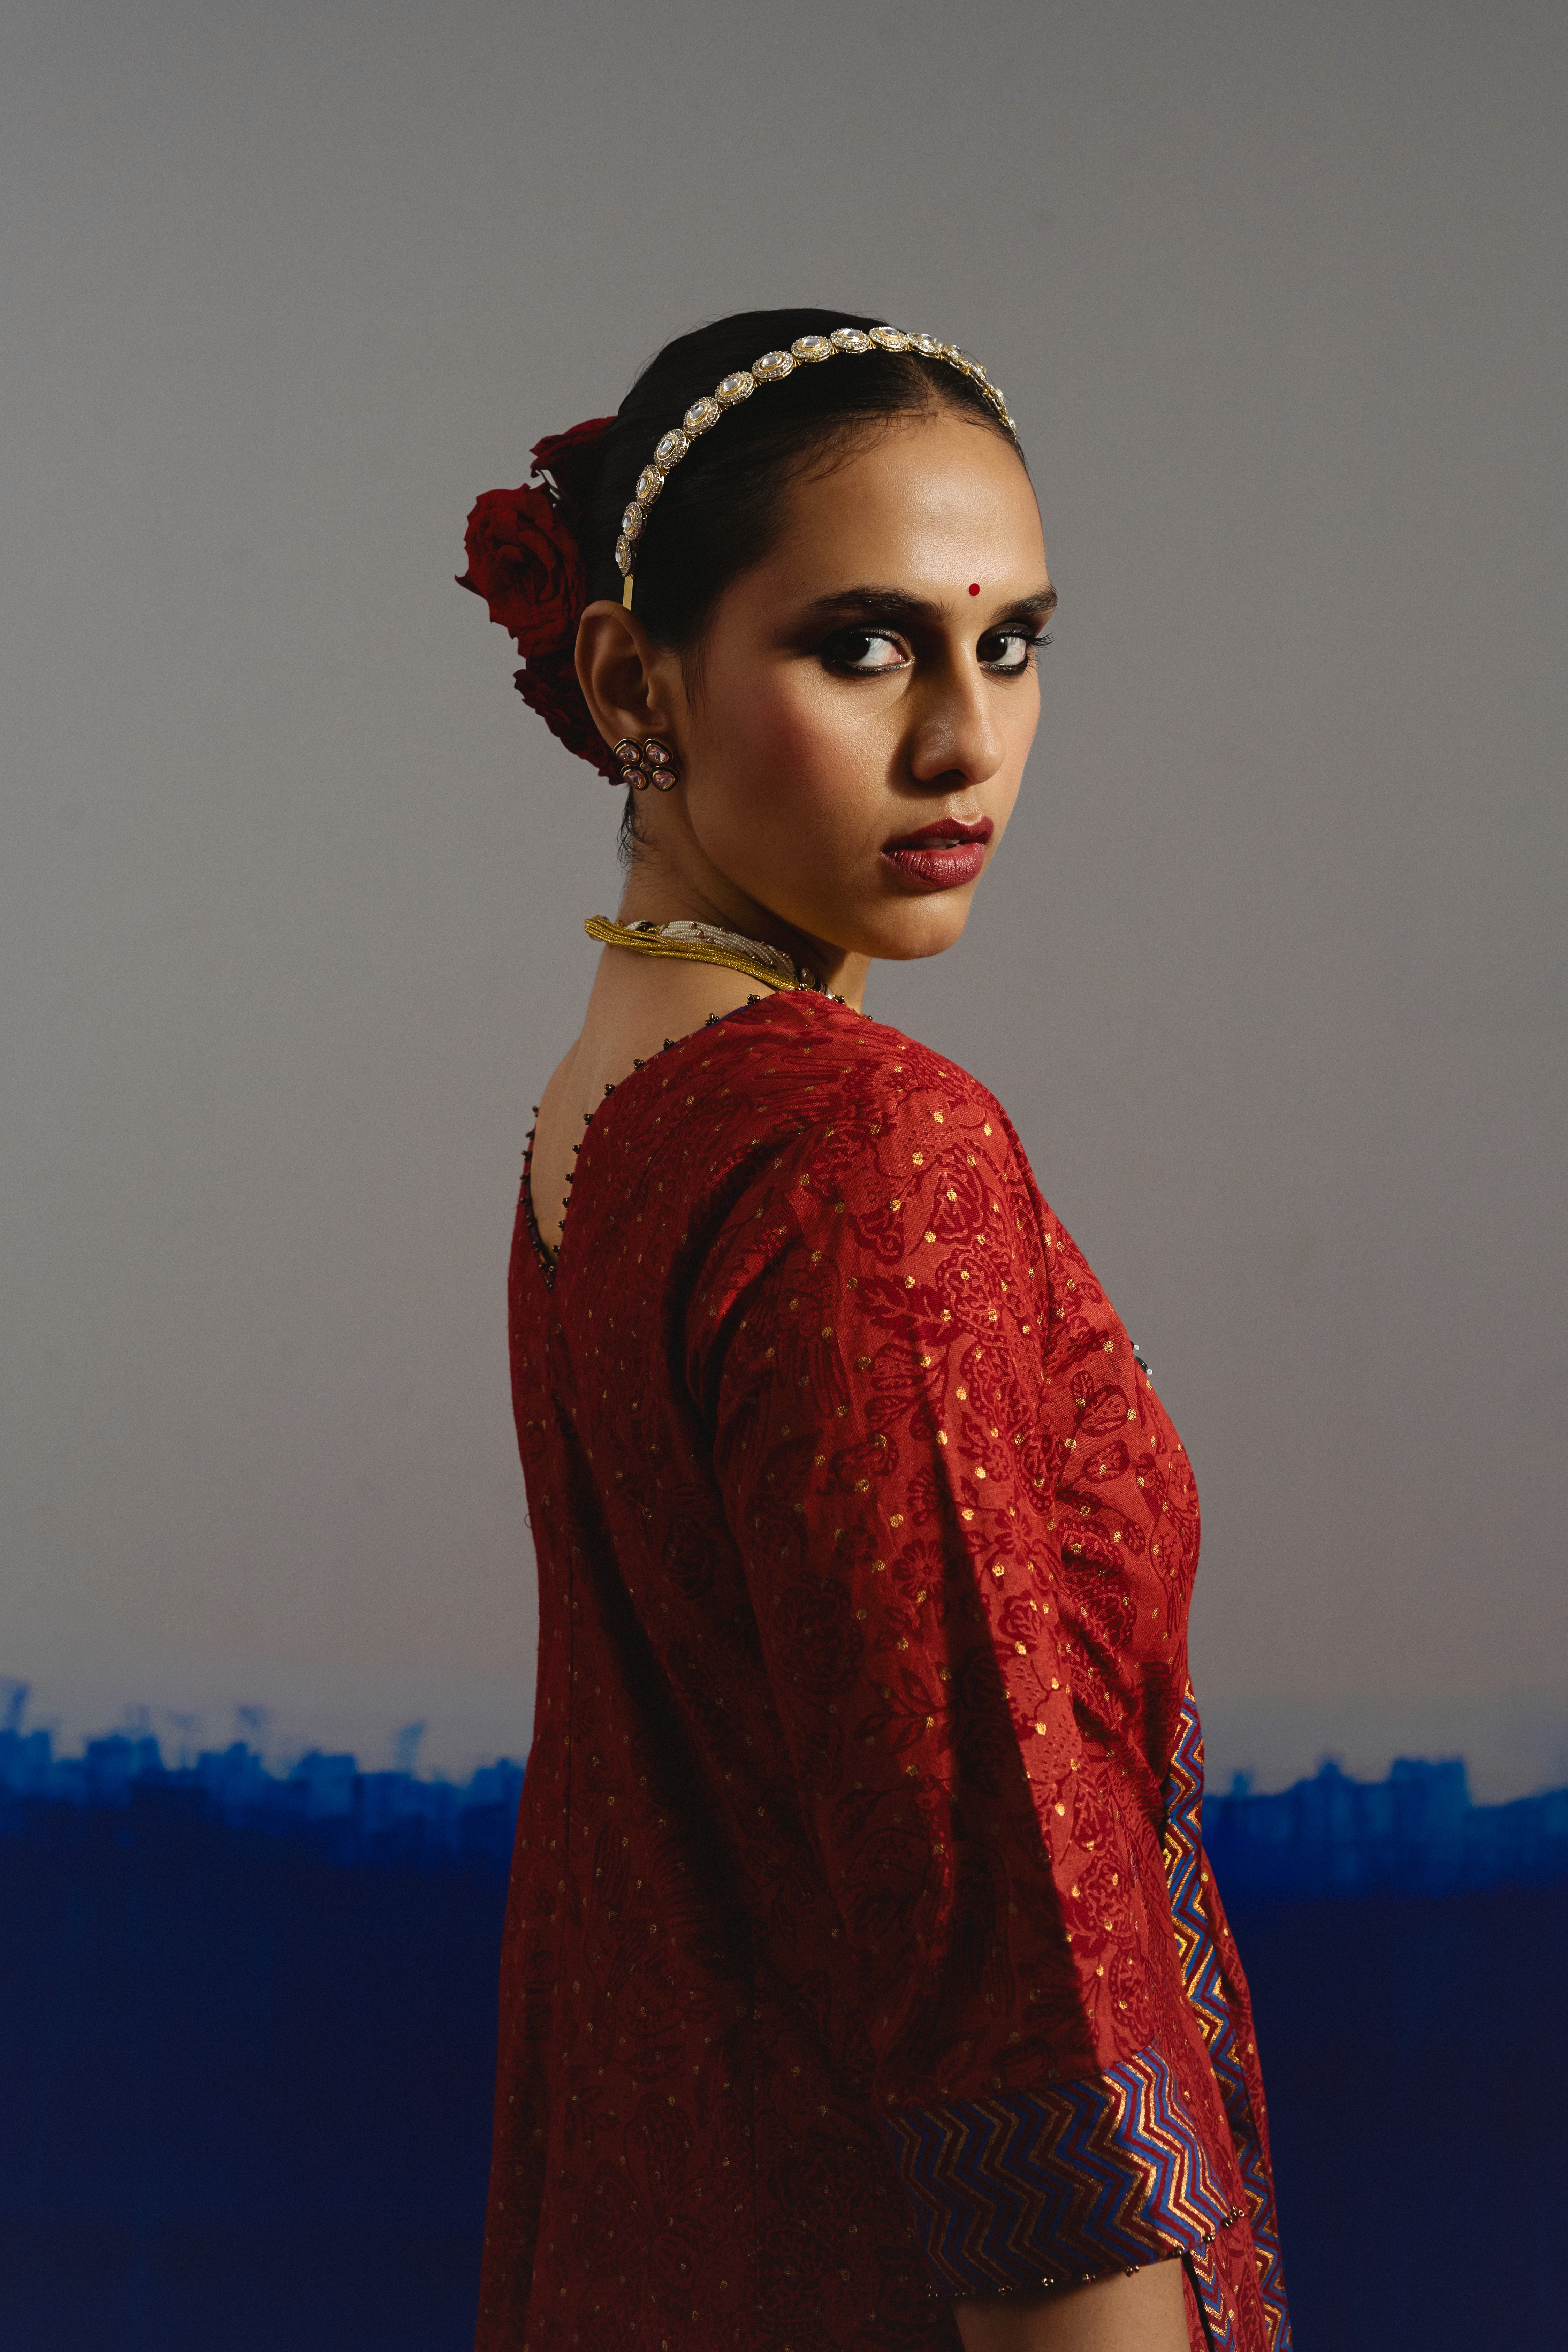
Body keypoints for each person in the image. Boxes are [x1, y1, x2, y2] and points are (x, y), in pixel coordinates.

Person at [456, 309, 1292, 2352]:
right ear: (633, 679)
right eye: (864, 643)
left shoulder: (604, 1112)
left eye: (1007, 646)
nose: (964, 740)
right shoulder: (856, 1148)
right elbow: (993, 1908)